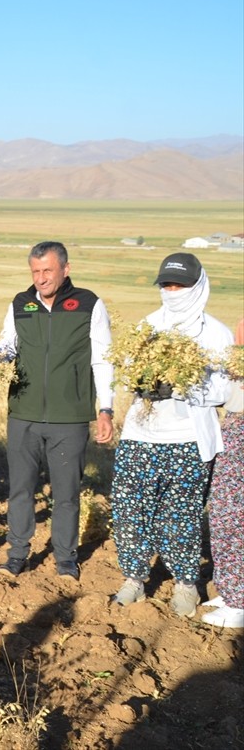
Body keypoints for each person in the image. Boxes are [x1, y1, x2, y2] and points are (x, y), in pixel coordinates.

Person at [110, 254, 232, 617]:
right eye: (166, 285)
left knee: (181, 516)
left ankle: (185, 585)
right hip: (140, 435)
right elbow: (129, 373)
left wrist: (182, 386)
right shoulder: (147, 327)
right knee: (130, 510)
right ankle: (134, 579)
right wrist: (145, 383)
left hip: (188, 440)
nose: (172, 292)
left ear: (198, 286)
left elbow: (225, 390)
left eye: (179, 285)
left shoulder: (216, 333)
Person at [0, 241, 114, 580]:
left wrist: (105, 409)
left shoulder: (89, 304)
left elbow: (102, 358)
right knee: (20, 488)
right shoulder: (20, 303)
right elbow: (7, 345)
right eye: (35, 271)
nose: (41, 278)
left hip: (70, 416)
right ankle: (17, 554)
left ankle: (65, 559)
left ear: (66, 268)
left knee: (66, 493)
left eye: (47, 270)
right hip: (24, 413)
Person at [204, 316, 244, 628]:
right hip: (233, 422)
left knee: (231, 514)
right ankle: (229, 587)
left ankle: (237, 603)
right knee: (221, 510)